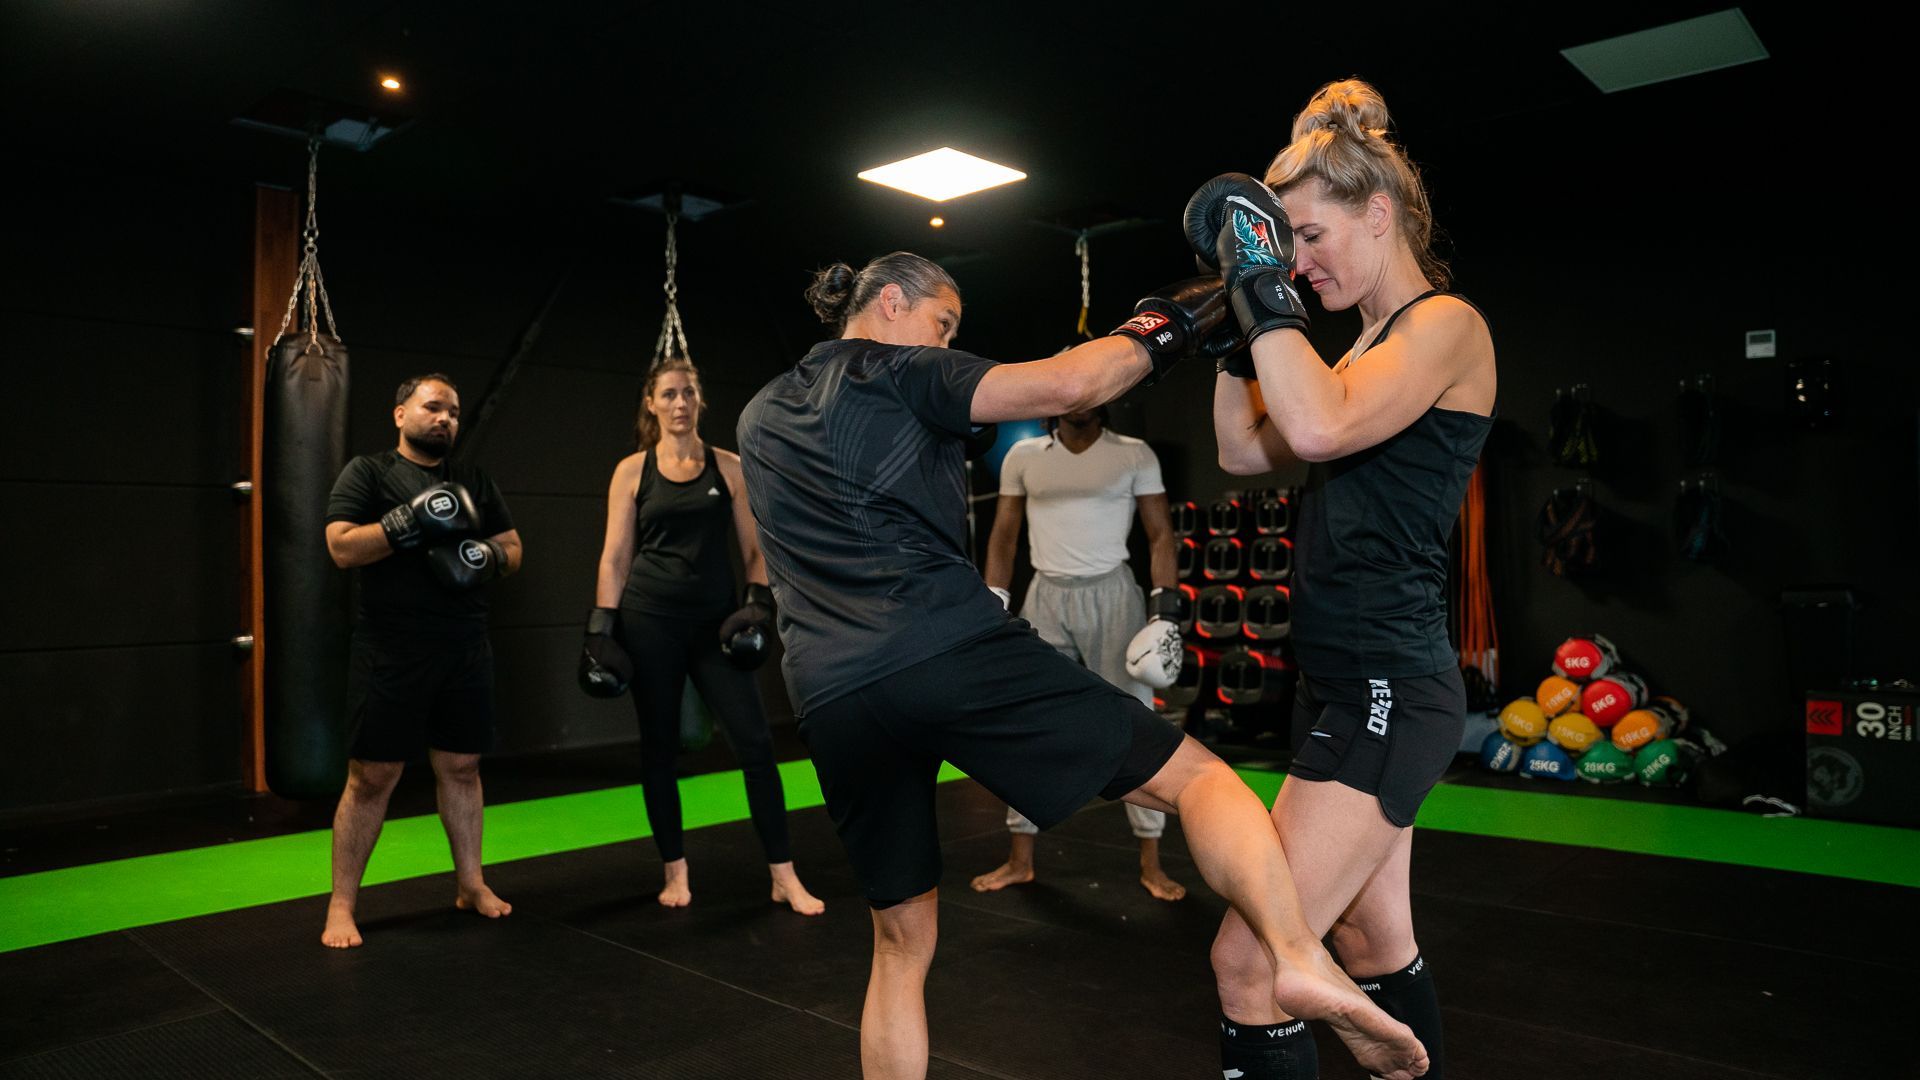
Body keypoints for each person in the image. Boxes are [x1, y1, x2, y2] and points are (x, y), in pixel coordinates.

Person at [737, 251, 1428, 1080]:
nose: (948, 341)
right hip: (943, 645)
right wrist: (1180, 320)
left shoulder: (757, 415)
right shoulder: (902, 368)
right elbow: (1071, 385)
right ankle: (1298, 956)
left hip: (830, 691)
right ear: (892, 301)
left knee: (899, 945)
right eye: (943, 323)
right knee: (1198, 780)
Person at [1202, 78, 1496, 1078]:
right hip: (1336, 680)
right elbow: (1245, 452)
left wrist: (1257, 290)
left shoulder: (1445, 327)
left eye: (1310, 238)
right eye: (1283, 247)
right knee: (1373, 947)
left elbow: (1318, 424)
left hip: (1387, 683)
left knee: (1250, 961)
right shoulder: (1361, 350)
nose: (1299, 264)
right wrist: (1234, 326)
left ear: (1379, 215)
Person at [582, 358, 823, 915]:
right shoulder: (631, 471)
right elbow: (616, 556)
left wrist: (756, 605)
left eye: (689, 392)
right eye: (668, 394)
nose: (680, 403)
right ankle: (675, 870)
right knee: (659, 749)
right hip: (649, 623)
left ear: (700, 400)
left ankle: (783, 875)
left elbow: (755, 550)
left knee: (757, 745)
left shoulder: (729, 468)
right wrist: (601, 628)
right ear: (652, 403)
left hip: (716, 625)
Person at [320, 373, 523, 949]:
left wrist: (484, 556)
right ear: (400, 414)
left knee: (461, 767)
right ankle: (341, 906)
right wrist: (404, 522)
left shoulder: (474, 478)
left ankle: (471, 883)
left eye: (454, 412)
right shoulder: (369, 472)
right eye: (434, 407)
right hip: (391, 646)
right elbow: (339, 546)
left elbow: (513, 549)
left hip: (463, 645)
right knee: (372, 777)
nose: (446, 419)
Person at [970, 404, 1187, 901]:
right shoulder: (1023, 457)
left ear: (1104, 401)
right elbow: (1003, 531)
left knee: (1138, 720)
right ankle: (1019, 858)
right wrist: (993, 600)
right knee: (1026, 718)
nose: (1080, 401)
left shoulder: (1134, 454)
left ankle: (1151, 861)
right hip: (1046, 592)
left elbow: (1160, 534)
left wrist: (1165, 611)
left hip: (1113, 593)